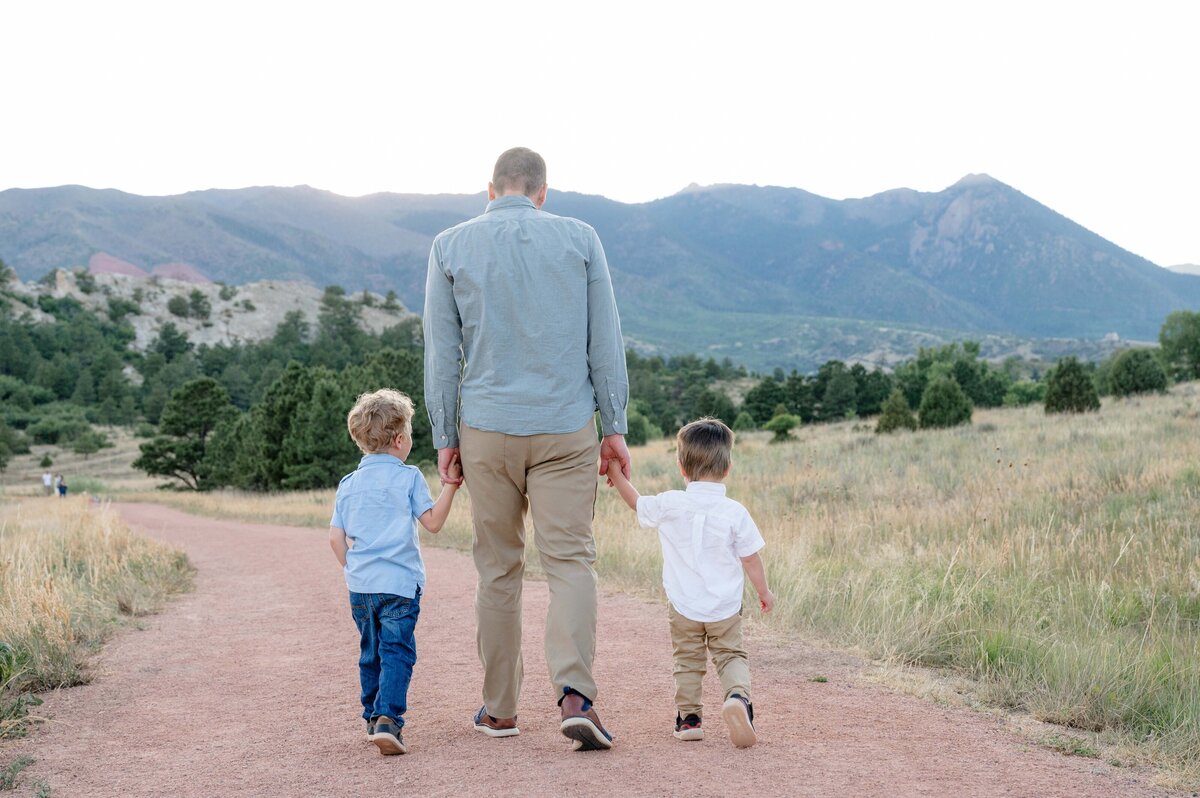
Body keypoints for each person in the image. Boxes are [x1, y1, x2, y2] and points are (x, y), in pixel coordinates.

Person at [424, 147, 629, 751]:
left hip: (486, 427)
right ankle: (575, 695)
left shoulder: (448, 246)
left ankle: (501, 709)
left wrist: (444, 435)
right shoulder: (581, 238)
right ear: (543, 191)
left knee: (498, 568)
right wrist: (612, 425)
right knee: (569, 561)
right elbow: (605, 341)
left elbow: (441, 355)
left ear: (490, 190)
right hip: (566, 425)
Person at [606, 417, 774, 749]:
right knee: (730, 655)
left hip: (684, 605)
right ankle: (738, 698)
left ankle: (689, 719)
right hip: (724, 607)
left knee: (687, 660)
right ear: (727, 469)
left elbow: (636, 502)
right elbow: (751, 558)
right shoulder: (734, 512)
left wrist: (613, 471)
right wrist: (763, 592)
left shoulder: (670, 503)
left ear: (682, 467)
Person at [328, 389, 461, 756]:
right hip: (400, 586)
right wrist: (450, 487)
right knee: (397, 651)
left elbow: (335, 539)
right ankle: (389, 719)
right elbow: (432, 522)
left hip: (361, 587)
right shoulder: (409, 477)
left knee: (370, 651)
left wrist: (354, 568)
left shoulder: (347, 485)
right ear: (400, 439)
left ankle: (372, 716)